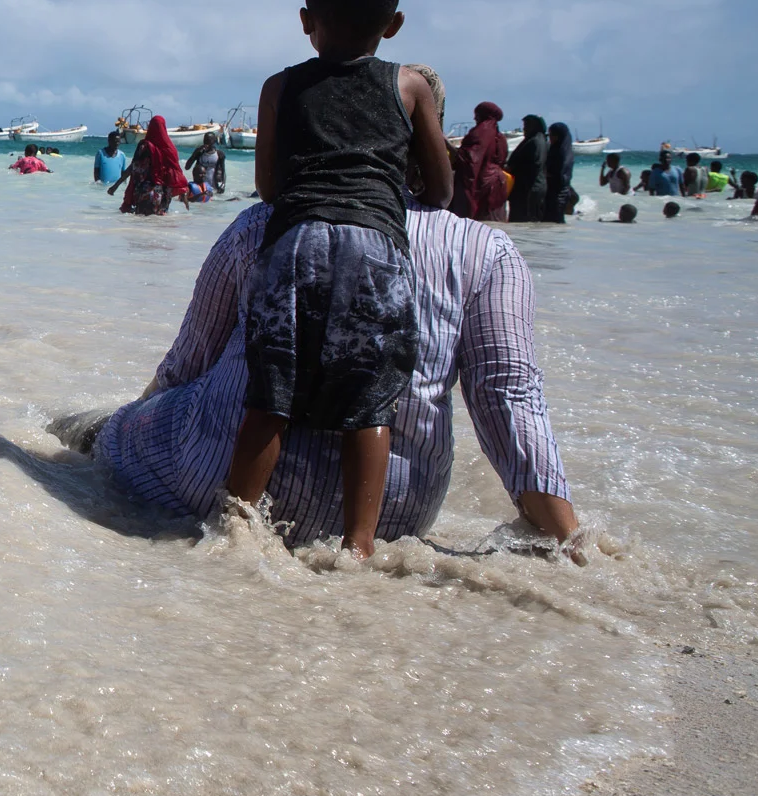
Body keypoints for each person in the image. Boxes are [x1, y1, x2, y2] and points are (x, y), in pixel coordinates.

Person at [87, 170, 579, 556]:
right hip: (392, 513)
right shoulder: (487, 252)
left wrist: (137, 412)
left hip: (218, 481)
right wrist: (565, 535)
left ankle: (91, 434)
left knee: (114, 431)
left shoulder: (262, 223)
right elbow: (507, 399)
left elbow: (189, 360)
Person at [223, 0, 453, 557]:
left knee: (270, 400)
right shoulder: (410, 86)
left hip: (295, 240)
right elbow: (441, 186)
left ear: (306, 20)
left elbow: (269, 186)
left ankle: (236, 529)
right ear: (395, 23)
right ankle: (358, 546)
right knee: (368, 403)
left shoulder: (279, 87)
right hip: (375, 246)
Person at [108, 116, 191, 214]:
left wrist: (116, 185)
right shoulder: (170, 149)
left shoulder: (145, 146)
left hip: (146, 192)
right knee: (158, 224)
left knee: (142, 225)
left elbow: (134, 167)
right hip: (164, 195)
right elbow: (176, 173)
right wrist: (184, 194)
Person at [451, 102, 510, 221]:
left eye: (477, 114)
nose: (474, 118)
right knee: (494, 228)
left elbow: (468, 158)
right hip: (498, 184)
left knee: (474, 227)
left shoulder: (481, 131)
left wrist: (445, 143)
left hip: (483, 185)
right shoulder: (500, 136)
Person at [504, 115, 546, 221]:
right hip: (531, 187)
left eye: (527, 125)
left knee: (524, 220)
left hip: (528, 189)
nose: (524, 128)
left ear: (535, 126)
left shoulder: (535, 142)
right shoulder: (537, 140)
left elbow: (533, 165)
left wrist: (510, 168)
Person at [541, 121, 577, 223]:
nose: (550, 138)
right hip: (553, 195)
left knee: (553, 223)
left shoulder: (563, 154)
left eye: (552, 135)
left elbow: (560, 176)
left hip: (558, 197)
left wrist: (544, 174)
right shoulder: (555, 150)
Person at [186, 133, 225, 199]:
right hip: (199, 187)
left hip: (213, 186)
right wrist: (195, 154)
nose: (206, 143)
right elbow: (187, 167)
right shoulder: (199, 152)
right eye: (205, 140)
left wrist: (223, 184)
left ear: (214, 141)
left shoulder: (219, 154)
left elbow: (223, 170)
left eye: (209, 141)